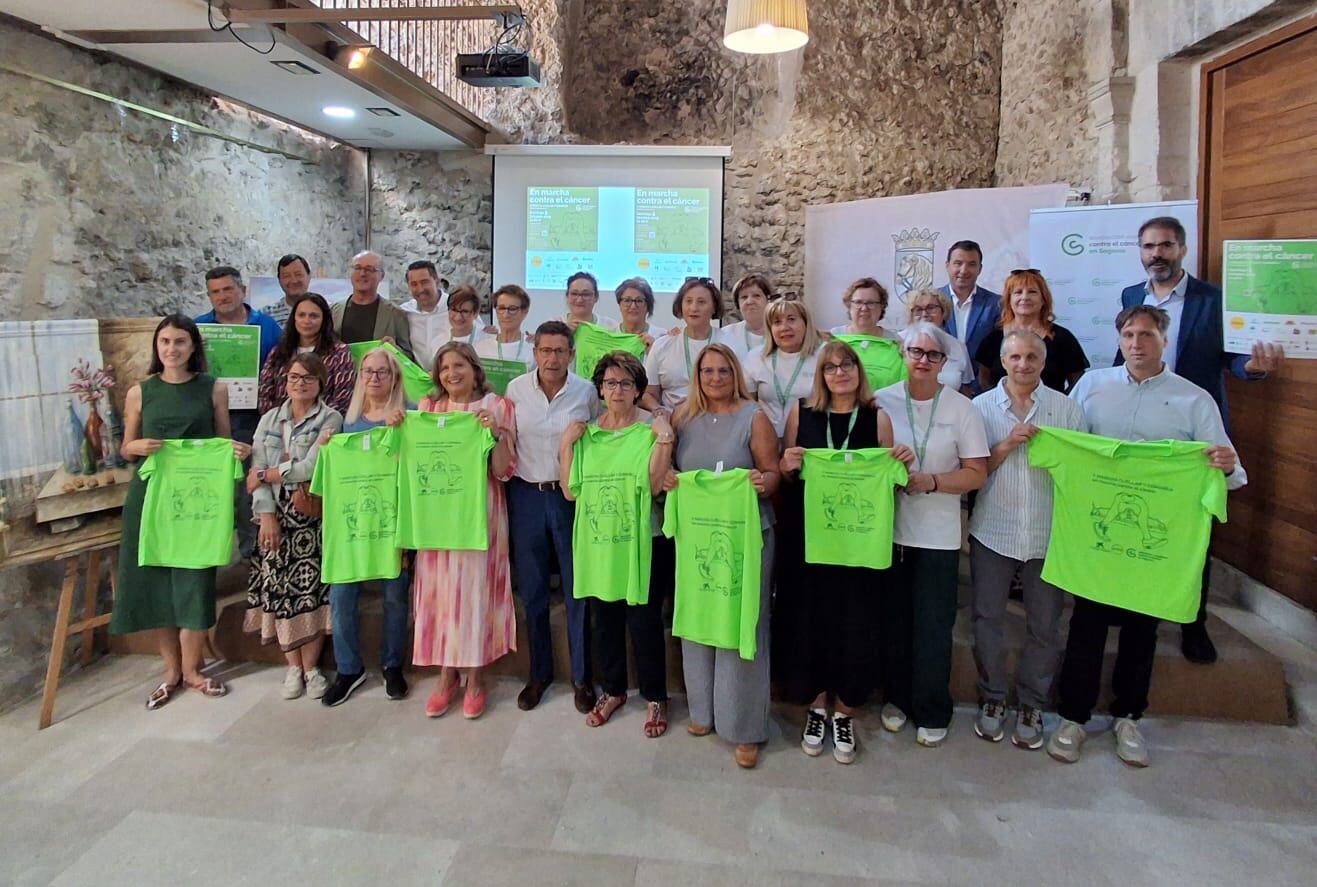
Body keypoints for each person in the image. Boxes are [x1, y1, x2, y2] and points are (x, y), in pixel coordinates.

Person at [1047, 305, 1247, 768]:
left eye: (1147, 335)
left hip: (1154, 546)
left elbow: (1229, 470)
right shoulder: (1092, 388)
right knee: (1086, 624)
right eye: (1129, 335)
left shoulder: (1194, 399)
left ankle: (1128, 716)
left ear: (1164, 339)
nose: (1137, 344)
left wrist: (1226, 465)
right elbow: (1073, 448)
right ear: (1118, 340)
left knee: (1142, 629)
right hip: (1097, 537)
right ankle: (1073, 718)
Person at [1118, 216, 1284, 664]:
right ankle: (1127, 603)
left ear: (1183, 250)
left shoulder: (1215, 299)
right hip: (1142, 432)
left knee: (1194, 534)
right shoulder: (1132, 296)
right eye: (1149, 246)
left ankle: (1193, 624)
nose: (1157, 254)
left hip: (1193, 434)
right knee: (1137, 520)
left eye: (1166, 246)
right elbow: (1124, 356)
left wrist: (1253, 367)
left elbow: (1236, 356)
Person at [778, 341, 914, 763]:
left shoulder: (879, 418)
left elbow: (892, 483)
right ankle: (817, 704)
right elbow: (785, 470)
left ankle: (845, 710)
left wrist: (901, 463)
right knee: (811, 618)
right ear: (820, 374)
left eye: (847, 365)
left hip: (859, 542)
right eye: (831, 366)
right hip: (810, 538)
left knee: (857, 621)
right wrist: (787, 463)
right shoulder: (802, 412)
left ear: (859, 370)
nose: (840, 372)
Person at [110, 315, 251, 708]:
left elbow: (223, 442)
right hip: (151, 497)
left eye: (180, 342)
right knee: (157, 583)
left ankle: (193, 670)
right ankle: (170, 671)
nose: (172, 349)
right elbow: (125, 447)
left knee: (193, 581)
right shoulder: (140, 392)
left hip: (196, 502)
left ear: (193, 347)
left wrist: (237, 452)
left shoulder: (213, 389)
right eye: (165, 342)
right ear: (157, 347)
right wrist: (138, 448)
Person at [968, 330, 1086, 748]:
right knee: (988, 618)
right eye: (1015, 356)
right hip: (993, 530)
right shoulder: (980, 408)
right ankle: (993, 698)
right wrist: (1004, 446)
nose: (1023, 364)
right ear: (1002, 360)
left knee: (1045, 625)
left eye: (1032, 356)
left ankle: (1033, 703)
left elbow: (1080, 472)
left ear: (1043, 360)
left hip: (1047, 531)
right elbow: (973, 470)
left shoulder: (1066, 409)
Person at [874, 322, 989, 747]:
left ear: (944, 361)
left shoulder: (962, 409)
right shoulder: (881, 403)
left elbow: (977, 473)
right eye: (915, 352)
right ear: (902, 354)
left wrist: (933, 482)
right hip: (888, 532)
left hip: (938, 536)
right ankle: (897, 700)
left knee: (934, 626)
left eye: (932, 355)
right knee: (894, 622)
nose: (922, 360)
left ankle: (931, 707)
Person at [670, 343, 780, 769]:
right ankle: (703, 710)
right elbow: (667, 471)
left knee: (742, 624)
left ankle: (744, 725)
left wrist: (761, 482)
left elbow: (773, 476)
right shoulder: (683, 416)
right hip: (697, 537)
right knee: (696, 616)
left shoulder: (754, 417)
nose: (715, 378)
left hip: (746, 535)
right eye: (707, 371)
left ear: (736, 373)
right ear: (697, 376)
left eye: (723, 370)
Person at [559, 352, 675, 736]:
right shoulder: (587, 434)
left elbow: (657, 484)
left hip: (643, 542)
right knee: (603, 620)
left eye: (626, 383)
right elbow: (570, 491)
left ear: (639, 389)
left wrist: (664, 441)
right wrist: (565, 446)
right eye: (610, 383)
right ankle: (612, 691)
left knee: (643, 623)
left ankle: (656, 696)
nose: (617, 390)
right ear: (600, 389)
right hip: (598, 546)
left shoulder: (649, 432)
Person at [413, 342, 518, 719]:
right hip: (437, 517)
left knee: (473, 596)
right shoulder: (428, 409)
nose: (451, 374)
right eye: (444, 368)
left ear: (475, 369)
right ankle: (445, 676)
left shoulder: (497, 408)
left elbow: (504, 471)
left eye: (459, 365)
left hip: (480, 516)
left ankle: (474, 678)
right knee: (440, 596)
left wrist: (496, 437)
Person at [503, 321, 600, 712]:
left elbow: (595, 440)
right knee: (534, 592)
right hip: (526, 495)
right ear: (535, 352)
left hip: (569, 500)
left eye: (561, 351)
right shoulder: (515, 390)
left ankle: (582, 678)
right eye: (545, 350)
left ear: (572, 354)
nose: (552, 358)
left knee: (578, 590)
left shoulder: (587, 392)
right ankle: (539, 673)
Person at [245, 352, 343, 700]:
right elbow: (255, 467)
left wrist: (269, 474)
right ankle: (292, 667)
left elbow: (311, 467)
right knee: (279, 590)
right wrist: (266, 514)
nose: (299, 384)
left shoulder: (331, 418)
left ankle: (313, 668)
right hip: (274, 515)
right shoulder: (270, 419)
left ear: (320, 383)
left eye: (307, 378)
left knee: (310, 591)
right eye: (293, 377)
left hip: (310, 515)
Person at [321, 347, 412, 707]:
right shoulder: (349, 421)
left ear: (394, 378)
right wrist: (327, 447)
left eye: (382, 372)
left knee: (394, 596)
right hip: (351, 526)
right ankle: (348, 668)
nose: (374, 378)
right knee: (341, 597)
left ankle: (392, 665)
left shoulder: (408, 416)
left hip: (393, 524)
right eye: (368, 372)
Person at [195, 265, 284, 560]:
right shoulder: (197, 329)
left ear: (242, 290)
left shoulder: (268, 326)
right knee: (212, 488)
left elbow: (282, 369)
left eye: (228, 289)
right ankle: (210, 556)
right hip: (209, 419)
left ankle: (252, 556)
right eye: (215, 292)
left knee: (251, 488)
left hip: (253, 419)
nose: (222, 296)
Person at [975, 269, 1089, 394]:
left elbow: (1077, 381)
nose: (1025, 297)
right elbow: (984, 380)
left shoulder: (1063, 338)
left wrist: (1060, 405)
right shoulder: (993, 339)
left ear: (1043, 299)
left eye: (1032, 292)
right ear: (1009, 300)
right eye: (1018, 292)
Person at [257, 293, 355, 416]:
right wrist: (280, 421)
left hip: (324, 426)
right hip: (279, 426)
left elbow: (343, 398)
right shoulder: (278, 352)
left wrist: (313, 421)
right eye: (301, 315)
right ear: (294, 319)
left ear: (324, 320)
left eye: (313, 316)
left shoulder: (340, 353)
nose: (307, 321)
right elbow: (264, 394)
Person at [743, 297, 823, 439]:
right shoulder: (755, 358)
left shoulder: (823, 355)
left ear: (806, 323)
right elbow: (747, 405)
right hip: (766, 438)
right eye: (777, 322)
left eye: (791, 319)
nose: (784, 328)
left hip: (812, 437)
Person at [642, 277, 722, 412]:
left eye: (701, 302)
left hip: (717, 418)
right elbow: (649, 394)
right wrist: (658, 410)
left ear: (714, 307)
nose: (694, 308)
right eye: (688, 301)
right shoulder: (662, 345)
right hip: (673, 420)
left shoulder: (729, 342)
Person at [939, 240, 1001, 393]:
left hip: (983, 391)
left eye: (971, 264)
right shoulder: (931, 301)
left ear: (980, 269)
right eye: (958, 263)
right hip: (940, 390)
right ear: (947, 265)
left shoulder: (996, 304)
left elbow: (997, 352)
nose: (964, 270)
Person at [330, 251, 414, 360]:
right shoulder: (334, 311)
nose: (362, 273)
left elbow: (409, 358)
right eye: (357, 268)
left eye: (369, 269)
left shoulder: (395, 314)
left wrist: (395, 350)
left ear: (381, 275)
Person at [906, 288, 972, 392]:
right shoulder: (897, 342)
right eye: (918, 309)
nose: (924, 314)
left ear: (944, 312)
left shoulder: (958, 347)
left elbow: (965, 388)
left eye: (931, 308)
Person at [400, 259, 450, 370]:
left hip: (450, 378)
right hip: (419, 380)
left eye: (424, 282)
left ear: (437, 282)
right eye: (414, 284)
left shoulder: (454, 307)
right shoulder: (404, 312)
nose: (420, 289)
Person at [476, 283, 536, 371]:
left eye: (512, 309)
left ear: (524, 312)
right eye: (501, 308)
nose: (506, 315)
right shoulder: (481, 347)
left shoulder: (533, 349)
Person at [718, 274, 773, 363]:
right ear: (738, 304)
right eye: (744, 297)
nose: (750, 301)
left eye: (756, 296)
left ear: (768, 300)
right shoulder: (726, 334)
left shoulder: (779, 333)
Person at [829, 278, 900, 339]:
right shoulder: (834, 337)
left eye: (871, 303)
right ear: (849, 305)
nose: (864, 308)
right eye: (858, 302)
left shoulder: (895, 341)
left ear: (881, 307)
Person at [612, 277, 665, 346]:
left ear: (648, 306)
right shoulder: (610, 336)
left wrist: (654, 349)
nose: (633, 306)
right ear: (620, 305)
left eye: (639, 301)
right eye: (627, 300)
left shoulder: (661, 337)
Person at [267, 253, 313, 327]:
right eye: (286, 276)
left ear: (309, 276)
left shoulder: (326, 311)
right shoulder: (267, 315)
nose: (293, 281)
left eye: (298, 274)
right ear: (279, 280)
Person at [443, 285, 490, 350]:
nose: (458, 317)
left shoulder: (488, 341)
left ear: (476, 313)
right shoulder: (438, 342)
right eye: (454, 310)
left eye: (464, 311)